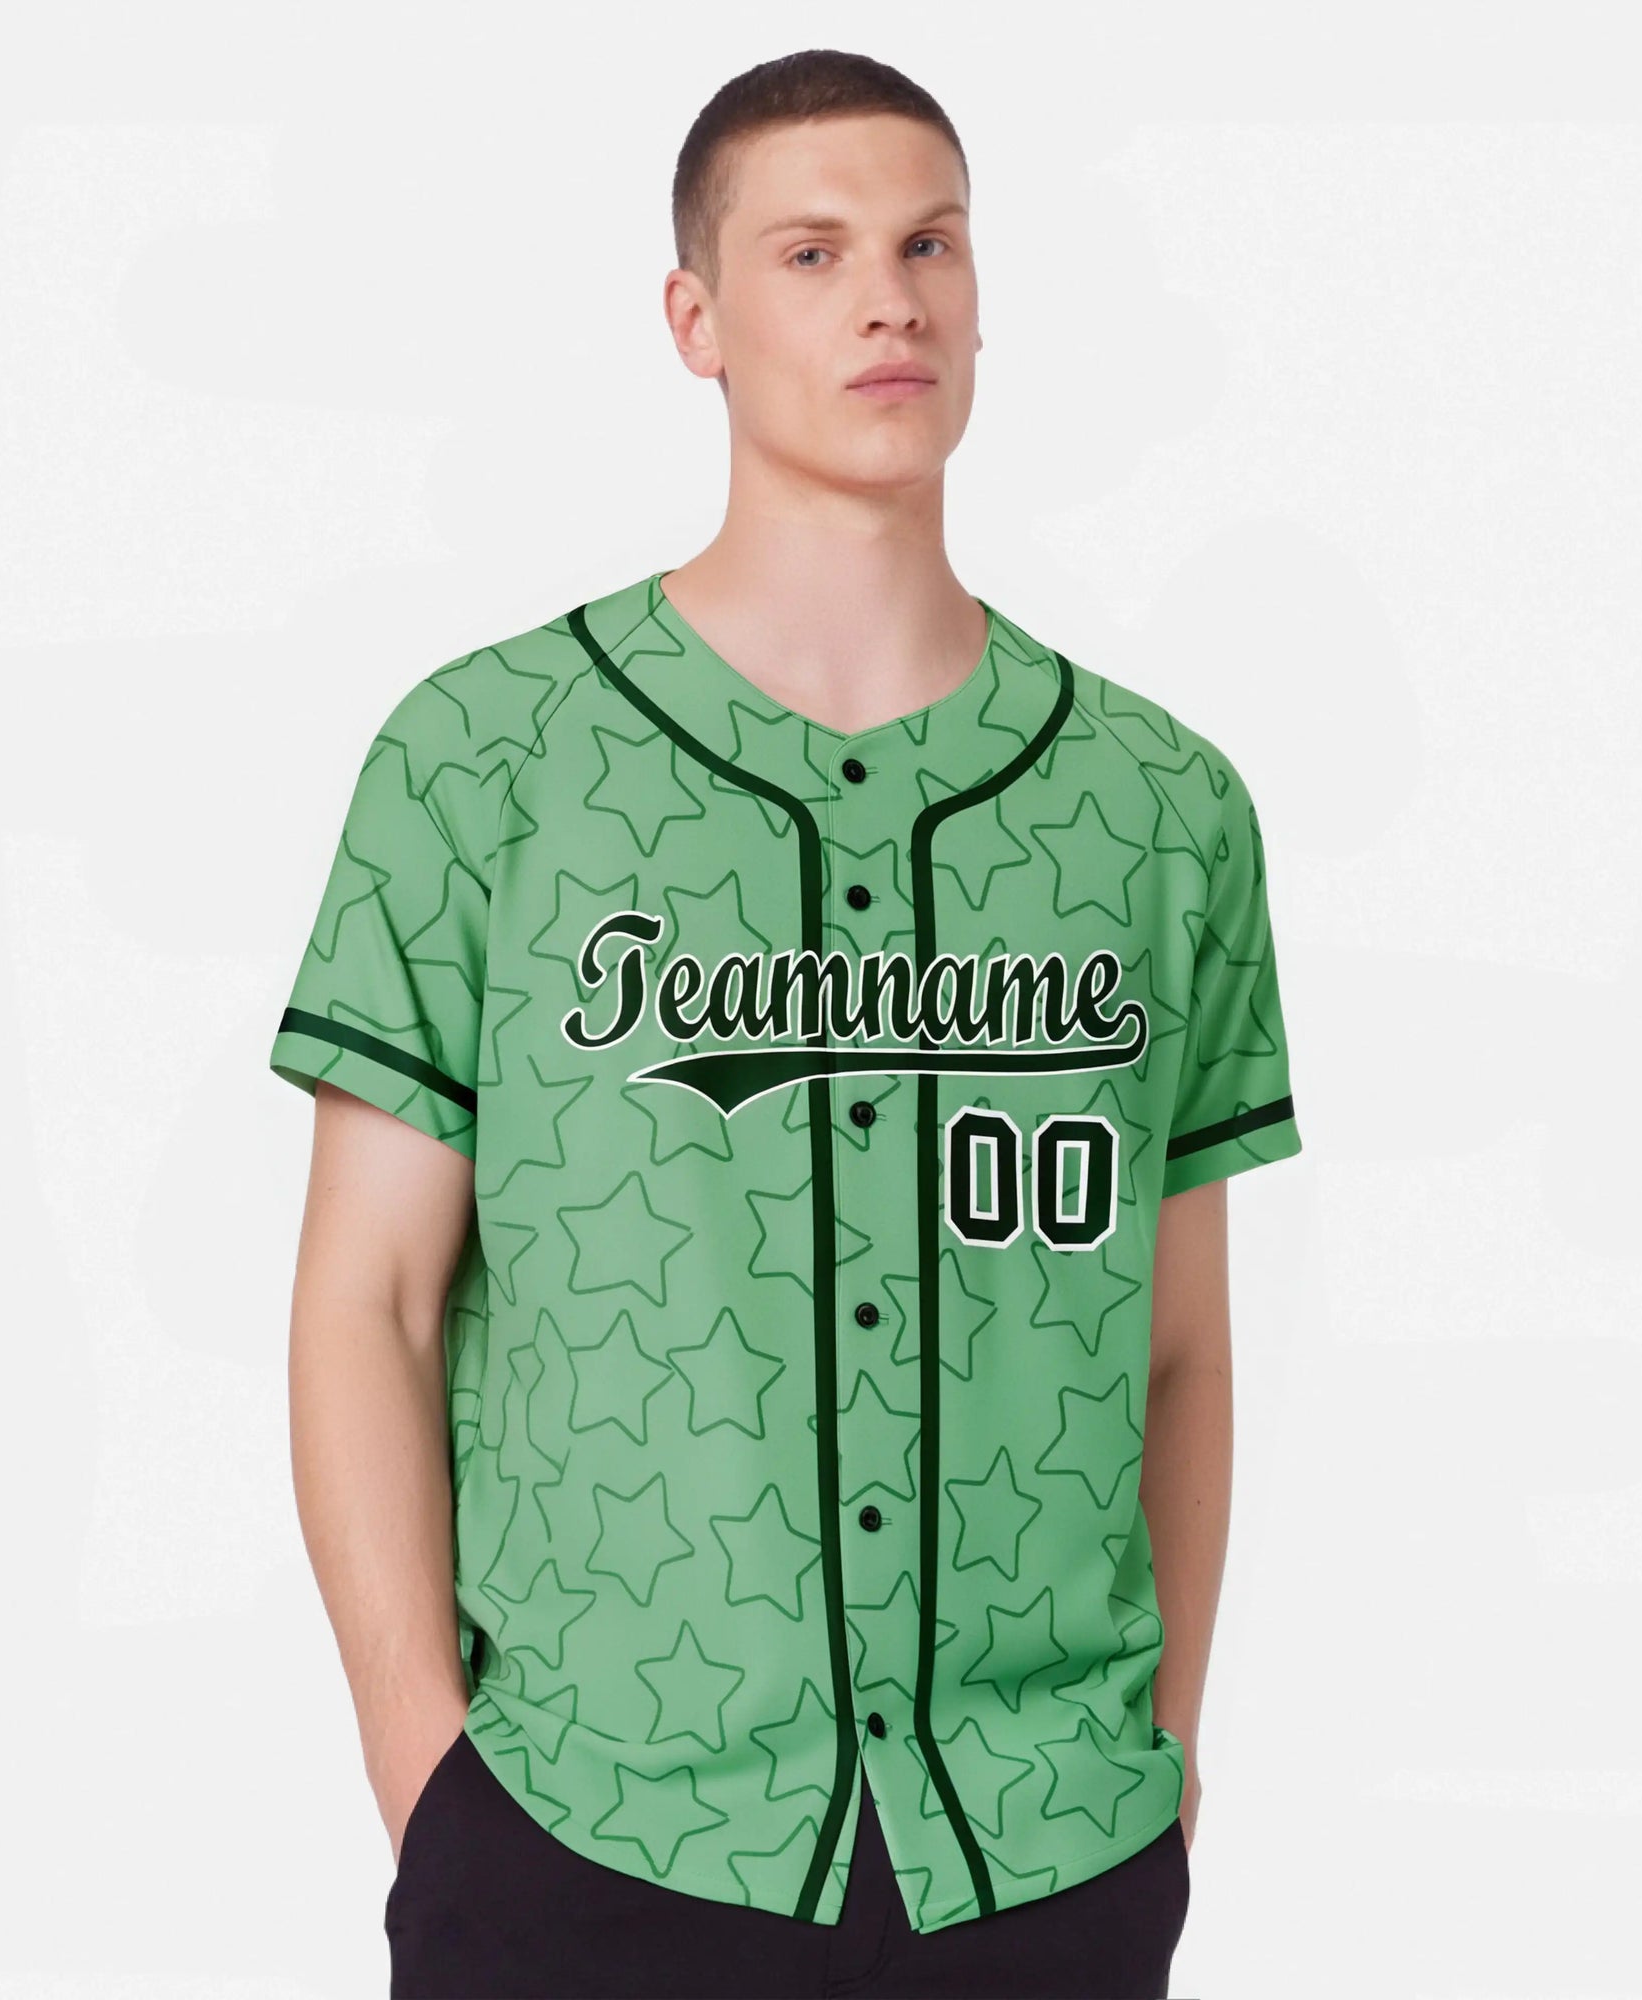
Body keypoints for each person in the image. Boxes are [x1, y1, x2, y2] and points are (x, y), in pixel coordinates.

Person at [268, 46, 1301, 2000]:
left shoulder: (1161, 808)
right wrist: (431, 1784)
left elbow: (1180, 1346)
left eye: (929, 246)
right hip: (588, 1826)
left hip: (1045, 1844)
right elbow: (367, 1304)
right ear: (698, 319)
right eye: (812, 253)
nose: (886, 300)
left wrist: (1155, 1764)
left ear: (980, 300)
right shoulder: (485, 762)